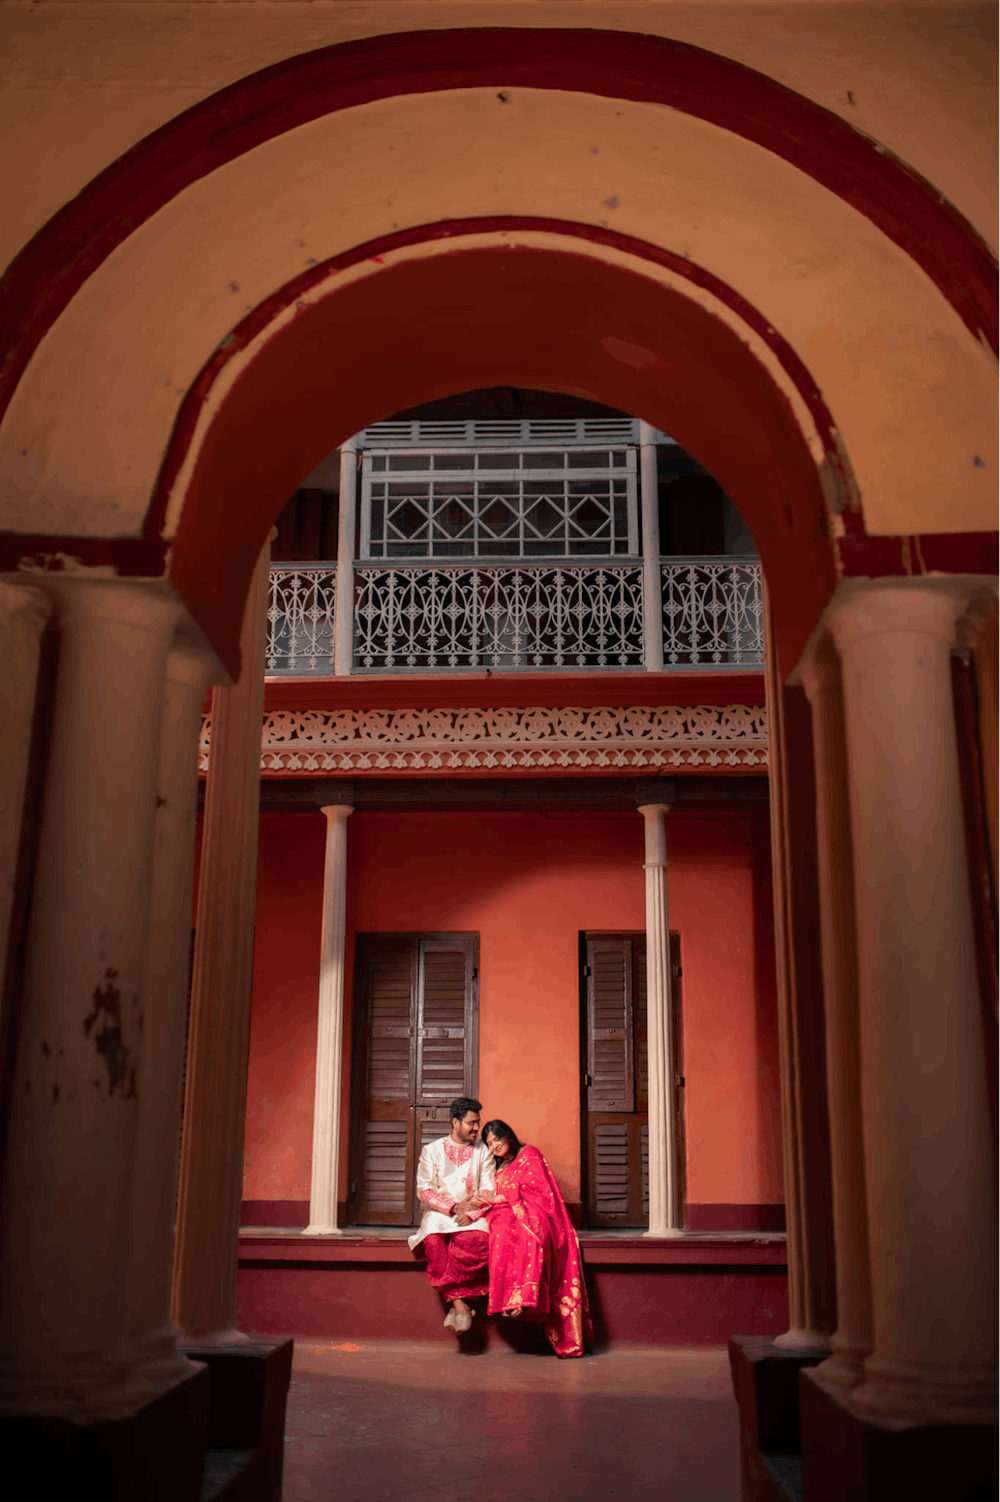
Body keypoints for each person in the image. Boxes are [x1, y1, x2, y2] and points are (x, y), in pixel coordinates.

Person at [472, 1120, 593, 1358]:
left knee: (528, 1236)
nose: (494, 1146)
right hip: (504, 1212)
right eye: (489, 1143)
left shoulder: (530, 1154)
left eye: (497, 1139)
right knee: (501, 1233)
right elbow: (494, 1194)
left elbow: (539, 1190)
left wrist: (503, 1199)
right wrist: (486, 1199)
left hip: (534, 1210)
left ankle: (523, 1300)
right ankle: (509, 1300)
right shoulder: (498, 1166)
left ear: (508, 1135)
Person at [407, 1096, 496, 1334]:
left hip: (473, 1212)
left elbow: (488, 1189)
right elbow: (424, 1190)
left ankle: (458, 1306)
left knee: (479, 1241)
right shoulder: (431, 1151)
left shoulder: (483, 1152)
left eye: (478, 1122)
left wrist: (472, 1213)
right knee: (434, 1242)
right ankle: (460, 1305)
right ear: (455, 1123)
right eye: (472, 1123)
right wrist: (454, 1208)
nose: (477, 1128)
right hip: (440, 1212)